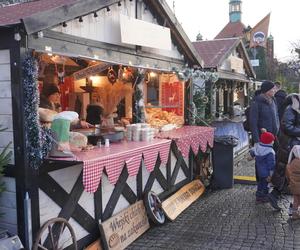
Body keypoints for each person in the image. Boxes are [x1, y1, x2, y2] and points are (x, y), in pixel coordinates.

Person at [269, 94, 300, 210]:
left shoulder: (295, 109)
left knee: (289, 173)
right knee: (287, 172)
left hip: (292, 145)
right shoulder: (291, 109)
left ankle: (291, 202)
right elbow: (286, 126)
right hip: (289, 145)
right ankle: (275, 195)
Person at [250, 131, 276, 206]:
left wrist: (251, 155)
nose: (273, 141)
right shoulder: (270, 152)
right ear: (269, 142)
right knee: (265, 186)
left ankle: (258, 197)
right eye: (272, 140)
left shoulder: (258, 147)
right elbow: (271, 165)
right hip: (267, 174)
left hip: (259, 172)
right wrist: (271, 176)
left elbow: (252, 151)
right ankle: (263, 198)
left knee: (260, 184)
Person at [249, 80, 280, 146]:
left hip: (273, 137)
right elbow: (253, 122)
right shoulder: (257, 102)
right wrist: (256, 141)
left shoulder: (273, 100)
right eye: (273, 89)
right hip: (263, 138)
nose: (274, 90)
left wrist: (277, 127)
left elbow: (276, 115)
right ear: (267, 90)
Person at [286, 145, 300, 220]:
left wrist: (290, 182)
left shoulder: (292, 162)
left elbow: (288, 173)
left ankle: (294, 213)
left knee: (296, 200)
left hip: (294, 186)